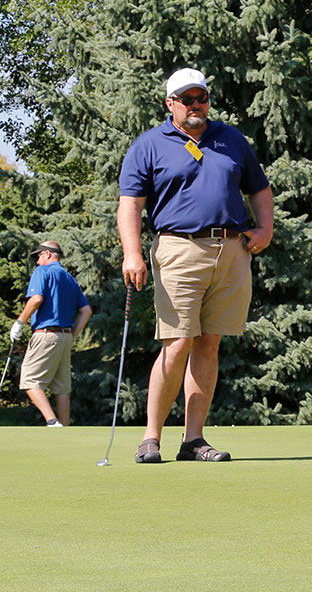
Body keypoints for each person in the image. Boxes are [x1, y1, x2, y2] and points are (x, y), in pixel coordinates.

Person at [119, 67, 274, 463]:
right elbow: (131, 205)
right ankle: (150, 439)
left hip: (231, 250)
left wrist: (265, 229)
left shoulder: (231, 139)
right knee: (178, 342)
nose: (196, 106)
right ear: (170, 103)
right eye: (186, 99)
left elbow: (259, 189)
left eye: (201, 98)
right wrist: (132, 253)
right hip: (177, 249)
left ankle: (193, 441)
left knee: (209, 342)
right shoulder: (150, 144)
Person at [10, 242, 92, 427]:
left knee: (30, 381)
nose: (37, 261)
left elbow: (36, 299)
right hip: (64, 338)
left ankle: (52, 421)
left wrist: (20, 322)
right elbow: (86, 311)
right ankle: (64, 429)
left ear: (48, 254)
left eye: (38, 256)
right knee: (61, 388)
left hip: (45, 334)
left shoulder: (42, 272)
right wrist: (71, 335)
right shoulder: (69, 277)